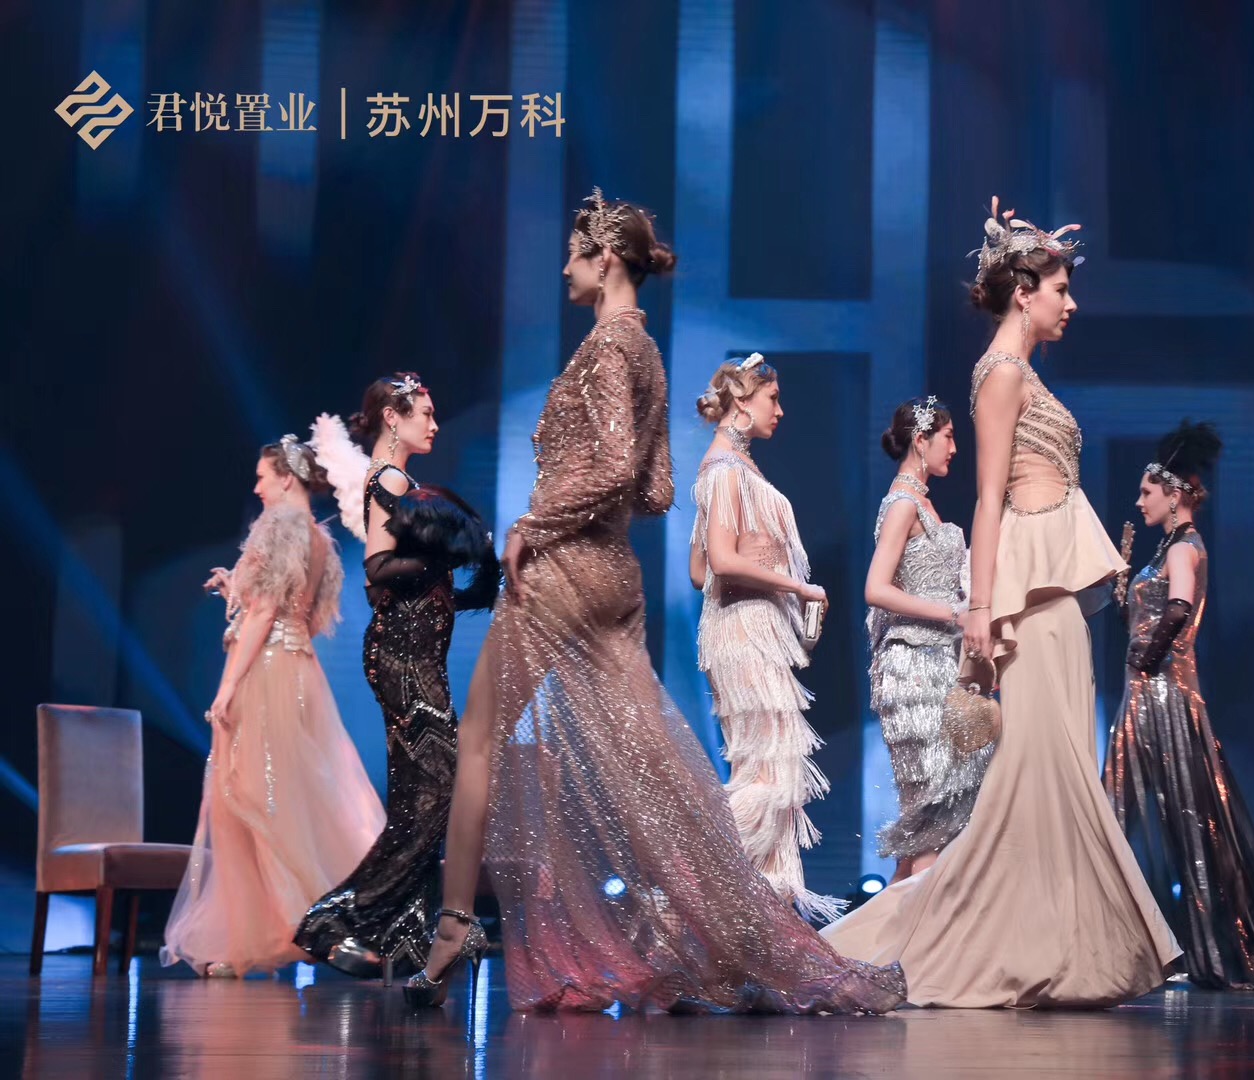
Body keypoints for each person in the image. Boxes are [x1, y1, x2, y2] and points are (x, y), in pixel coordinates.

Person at [405, 189, 904, 1014]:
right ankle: (730, 938)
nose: (563, 269)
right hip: (617, 578)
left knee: (479, 740)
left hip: (564, 570)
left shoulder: (607, 347)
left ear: (604, 259)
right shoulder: (648, 353)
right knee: (655, 775)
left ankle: (454, 926)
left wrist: (533, 521)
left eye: (573, 255)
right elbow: (656, 490)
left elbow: (612, 472)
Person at [823, 198, 1179, 1008]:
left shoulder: (1023, 372)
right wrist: (980, 611)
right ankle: (980, 948)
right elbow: (989, 499)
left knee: (1051, 774)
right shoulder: (1001, 374)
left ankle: (1059, 942)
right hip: (1028, 599)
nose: (1071, 302)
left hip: (1053, 598)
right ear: (1024, 292)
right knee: (1038, 775)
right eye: (1060, 287)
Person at [295, 378, 499, 979]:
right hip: (404, 658)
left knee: (418, 800)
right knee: (438, 793)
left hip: (414, 654)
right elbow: (379, 570)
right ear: (393, 416)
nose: (434, 425)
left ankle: (409, 937)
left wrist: (473, 576)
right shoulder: (389, 480)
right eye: (425, 414)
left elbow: (422, 588)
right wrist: (451, 552)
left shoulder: (399, 482)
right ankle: (334, 918)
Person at [161, 437, 384, 976]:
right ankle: (257, 939)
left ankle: (315, 926)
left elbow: (264, 614)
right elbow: (292, 610)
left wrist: (227, 688)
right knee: (287, 797)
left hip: (266, 673)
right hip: (299, 669)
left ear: (287, 477)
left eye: (263, 476)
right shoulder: (318, 538)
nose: (257, 487)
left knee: (252, 799)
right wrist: (236, 589)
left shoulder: (280, 524)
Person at [1105, 420, 1254, 990]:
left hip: (1163, 695)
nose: (1139, 501)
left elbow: (1179, 609)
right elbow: (1149, 614)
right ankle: (1121, 941)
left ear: (1174, 495)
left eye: (1147, 491)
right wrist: (1125, 591)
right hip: (1147, 692)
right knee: (1128, 810)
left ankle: (1209, 948)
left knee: (1174, 818)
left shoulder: (1185, 549)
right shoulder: (1166, 549)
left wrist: (1146, 656)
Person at [689, 352, 841, 921]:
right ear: (742, 398)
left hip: (749, 627)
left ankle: (762, 929)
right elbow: (721, 561)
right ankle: (682, 888)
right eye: (772, 398)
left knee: (774, 775)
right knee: (771, 778)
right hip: (745, 630)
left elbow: (699, 571)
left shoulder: (728, 466)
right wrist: (797, 586)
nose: (780, 410)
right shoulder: (725, 468)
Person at [864, 396, 986, 883]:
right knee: (933, 815)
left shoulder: (924, 503)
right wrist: (954, 613)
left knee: (932, 819)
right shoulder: (902, 504)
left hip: (939, 663)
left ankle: (895, 930)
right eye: (948, 437)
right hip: (912, 667)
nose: (954, 448)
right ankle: (924, 930)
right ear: (921, 440)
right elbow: (876, 589)